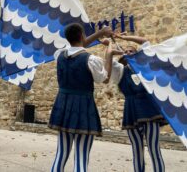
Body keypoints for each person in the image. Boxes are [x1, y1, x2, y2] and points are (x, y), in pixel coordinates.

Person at [48, 24, 116, 172]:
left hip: (63, 105)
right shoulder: (91, 59)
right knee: (81, 157)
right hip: (83, 107)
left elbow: (79, 46)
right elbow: (104, 79)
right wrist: (109, 55)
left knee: (61, 154)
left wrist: (99, 33)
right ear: (82, 36)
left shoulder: (59, 55)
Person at [110, 33, 166, 172]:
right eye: (127, 52)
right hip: (131, 111)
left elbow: (145, 42)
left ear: (137, 54)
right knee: (137, 151)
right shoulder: (121, 71)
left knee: (154, 150)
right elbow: (109, 61)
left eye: (132, 51)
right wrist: (111, 47)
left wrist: (124, 38)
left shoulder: (145, 67)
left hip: (148, 110)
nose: (129, 53)